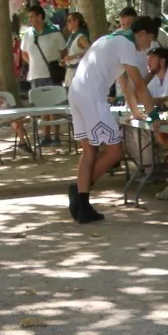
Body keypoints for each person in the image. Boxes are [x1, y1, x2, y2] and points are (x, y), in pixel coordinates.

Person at [66, 16, 157, 223]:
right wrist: (154, 116)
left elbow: (123, 82)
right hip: (91, 97)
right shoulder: (126, 43)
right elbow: (139, 85)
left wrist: (135, 111)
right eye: (150, 38)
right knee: (115, 151)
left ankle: (82, 202)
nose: (149, 44)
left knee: (89, 150)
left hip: (76, 94)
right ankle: (80, 189)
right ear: (141, 33)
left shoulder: (110, 39)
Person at [21, 5, 65, 92]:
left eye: (31, 17)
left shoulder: (54, 32)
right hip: (35, 76)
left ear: (40, 16)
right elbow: (24, 53)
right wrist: (34, 63)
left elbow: (63, 51)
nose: (29, 20)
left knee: (55, 102)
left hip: (53, 75)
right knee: (38, 102)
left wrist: (58, 63)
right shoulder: (27, 33)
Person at [61, 11, 92, 76]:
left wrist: (75, 56)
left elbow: (90, 51)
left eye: (69, 20)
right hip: (71, 71)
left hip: (78, 71)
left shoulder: (80, 37)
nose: (67, 23)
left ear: (76, 22)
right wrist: (66, 60)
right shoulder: (71, 36)